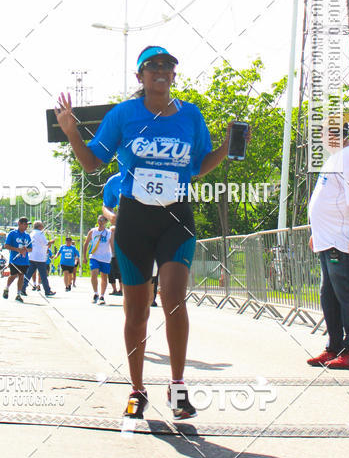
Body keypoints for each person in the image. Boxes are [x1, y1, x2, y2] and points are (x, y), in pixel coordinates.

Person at [56, 44, 245, 419]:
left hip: (175, 216)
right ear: (139, 76)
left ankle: (177, 388)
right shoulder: (123, 114)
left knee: (174, 296)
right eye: (152, 66)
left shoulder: (190, 115)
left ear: (174, 75)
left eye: (167, 66)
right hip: (134, 221)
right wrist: (71, 133)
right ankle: (137, 389)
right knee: (136, 311)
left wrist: (226, 147)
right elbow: (93, 163)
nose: (160, 70)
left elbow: (198, 166)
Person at [307, 112, 349, 371]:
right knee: (329, 297)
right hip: (327, 240)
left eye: (323, 134)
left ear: (336, 134)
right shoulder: (334, 159)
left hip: (343, 243)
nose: (320, 139)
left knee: (347, 296)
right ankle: (335, 347)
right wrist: (317, 232)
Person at [83, 215, 113, 304]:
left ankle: (102, 296)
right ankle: (95, 293)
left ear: (106, 222)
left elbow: (112, 245)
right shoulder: (93, 231)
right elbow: (86, 243)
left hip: (105, 258)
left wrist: (114, 256)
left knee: (104, 277)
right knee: (94, 274)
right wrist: (84, 256)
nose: (100, 222)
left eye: (102, 220)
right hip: (94, 256)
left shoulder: (109, 233)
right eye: (99, 220)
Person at [22, 221, 56, 298]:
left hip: (32, 256)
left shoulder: (31, 233)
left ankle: (23, 288)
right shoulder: (40, 233)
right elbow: (45, 243)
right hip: (39, 258)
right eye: (42, 226)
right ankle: (47, 290)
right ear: (40, 226)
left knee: (28, 274)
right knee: (43, 275)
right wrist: (52, 241)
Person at [3, 217, 32, 303]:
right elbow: (6, 245)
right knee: (13, 275)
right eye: (25, 224)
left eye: (27, 224)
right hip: (14, 260)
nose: (26, 226)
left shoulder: (27, 236)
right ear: (20, 224)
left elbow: (31, 249)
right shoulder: (12, 234)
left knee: (21, 276)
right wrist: (17, 249)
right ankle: (7, 288)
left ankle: (18, 294)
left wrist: (26, 249)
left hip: (24, 260)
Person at [103, 174, 123, 295]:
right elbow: (106, 206)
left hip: (158, 233)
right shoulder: (115, 180)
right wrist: (111, 217)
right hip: (128, 235)